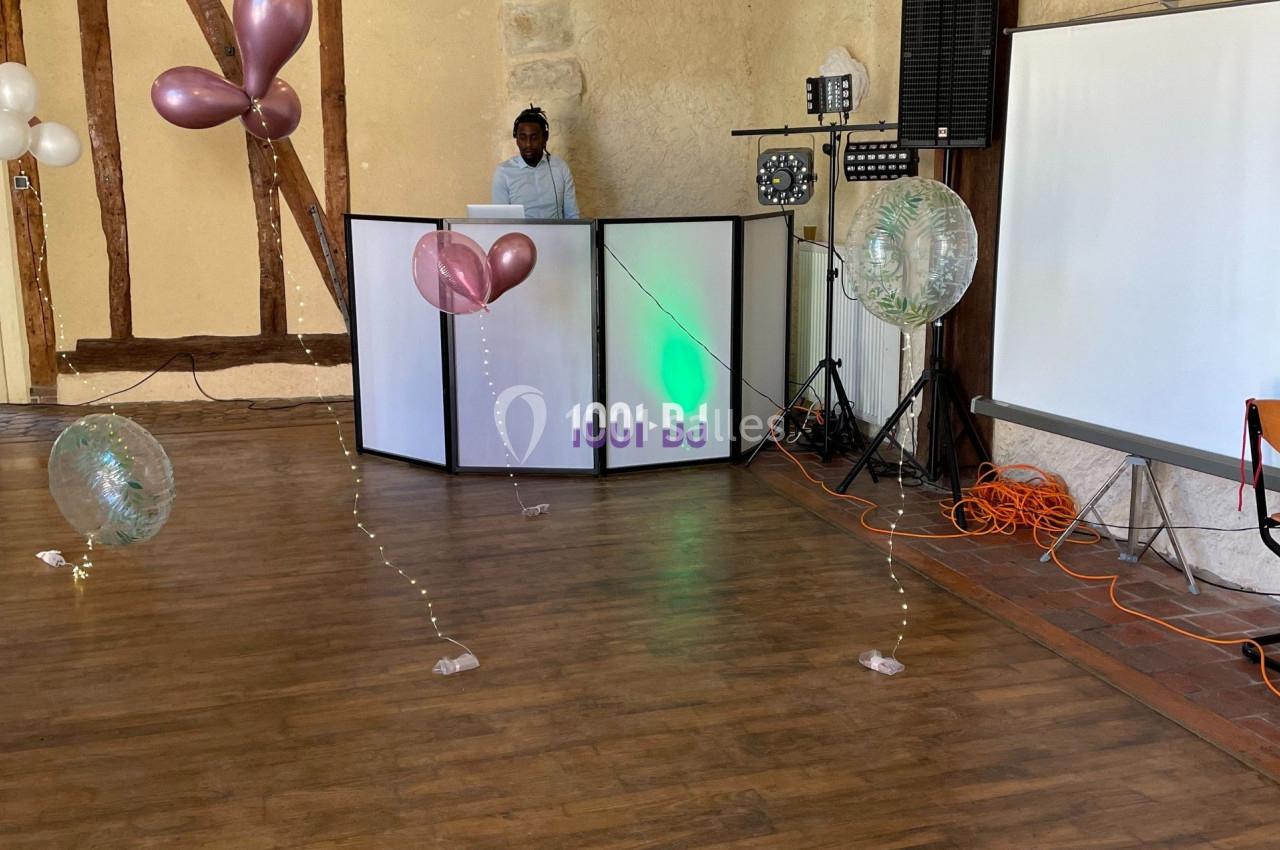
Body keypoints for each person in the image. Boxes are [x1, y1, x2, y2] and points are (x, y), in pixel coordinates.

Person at [491, 105, 580, 219]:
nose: (528, 144)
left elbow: (572, 216)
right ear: (516, 139)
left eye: (534, 138)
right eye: (522, 137)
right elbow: (501, 221)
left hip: (556, 236)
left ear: (545, 138)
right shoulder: (503, 172)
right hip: (521, 236)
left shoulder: (560, 167)